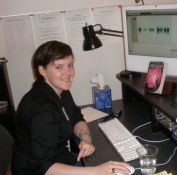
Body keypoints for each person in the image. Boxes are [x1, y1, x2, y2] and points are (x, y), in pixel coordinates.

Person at [12, 40, 131, 175]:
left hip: (59, 159)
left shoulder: (60, 90)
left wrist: (85, 138)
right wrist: (96, 171)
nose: (68, 72)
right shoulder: (42, 109)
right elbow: (43, 166)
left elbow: (75, 116)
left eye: (70, 65)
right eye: (59, 67)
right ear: (42, 70)